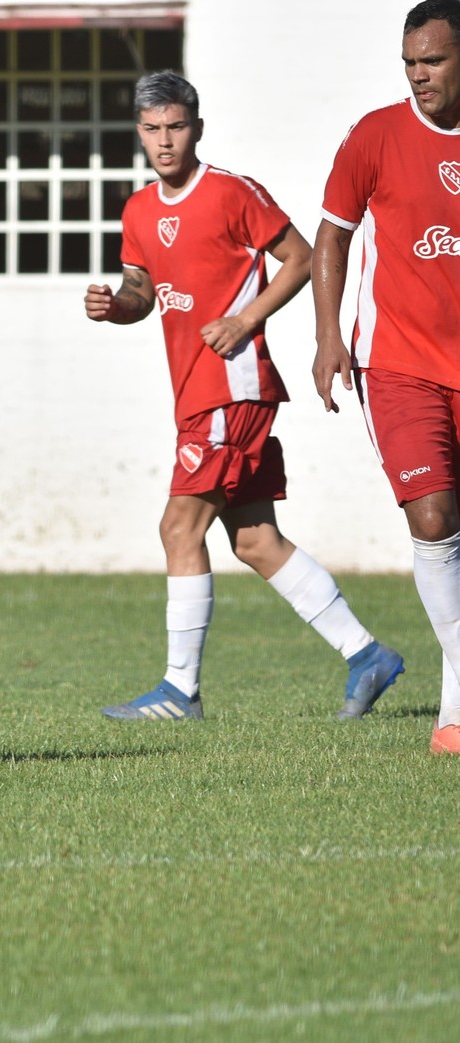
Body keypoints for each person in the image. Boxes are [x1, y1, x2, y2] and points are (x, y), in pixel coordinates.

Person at [84, 71, 403, 721]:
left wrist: (244, 318)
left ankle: (179, 690)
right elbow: (143, 293)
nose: (163, 141)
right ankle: (365, 653)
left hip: (231, 389)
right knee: (254, 539)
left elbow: (301, 254)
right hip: (197, 394)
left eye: (175, 126)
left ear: (195, 128)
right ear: (138, 135)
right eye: (151, 130)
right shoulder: (138, 211)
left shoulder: (233, 193)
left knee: (178, 525)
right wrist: (114, 305)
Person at [313, 0, 460, 753]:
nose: (417, 75)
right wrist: (327, 335)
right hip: (397, 364)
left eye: (431, 60)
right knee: (432, 517)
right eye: (408, 62)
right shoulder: (374, 135)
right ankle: (456, 710)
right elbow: (330, 237)